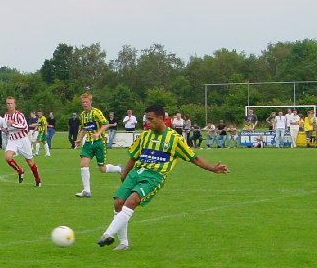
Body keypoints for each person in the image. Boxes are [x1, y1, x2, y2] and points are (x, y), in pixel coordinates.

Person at [97, 104, 229, 251]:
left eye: (150, 119)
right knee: (118, 203)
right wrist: (124, 173)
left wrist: (212, 168)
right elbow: (133, 157)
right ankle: (124, 243)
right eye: (146, 118)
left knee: (132, 201)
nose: (147, 122)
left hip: (154, 176)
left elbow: (194, 158)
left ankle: (108, 233)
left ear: (161, 118)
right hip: (136, 173)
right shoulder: (145, 136)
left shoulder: (175, 139)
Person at [74, 93, 122, 198]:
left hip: (99, 142)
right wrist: (79, 139)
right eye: (83, 102)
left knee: (102, 169)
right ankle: (86, 191)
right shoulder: (82, 115)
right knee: (83, 164)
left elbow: (105, 124)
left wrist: (98, 133)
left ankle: (118, 169)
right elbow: (84, 129)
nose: (85, 104)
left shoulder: (96, 112)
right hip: (88, 143)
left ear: (91, 102)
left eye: (87, 102)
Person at [3, 96, 42, 187]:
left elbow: (25, 126)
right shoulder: (6, 116)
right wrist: (5, 129)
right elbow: (8, 128)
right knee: (8, 157)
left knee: (30, 162)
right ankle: (20, 170)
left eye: (11, 103)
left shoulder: (19, 115)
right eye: (8, 103)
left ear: (15, 104)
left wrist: (13, 124)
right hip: (12, 139)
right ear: (6, 105)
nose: (10, 105)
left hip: (23, 140)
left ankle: (38, 180)